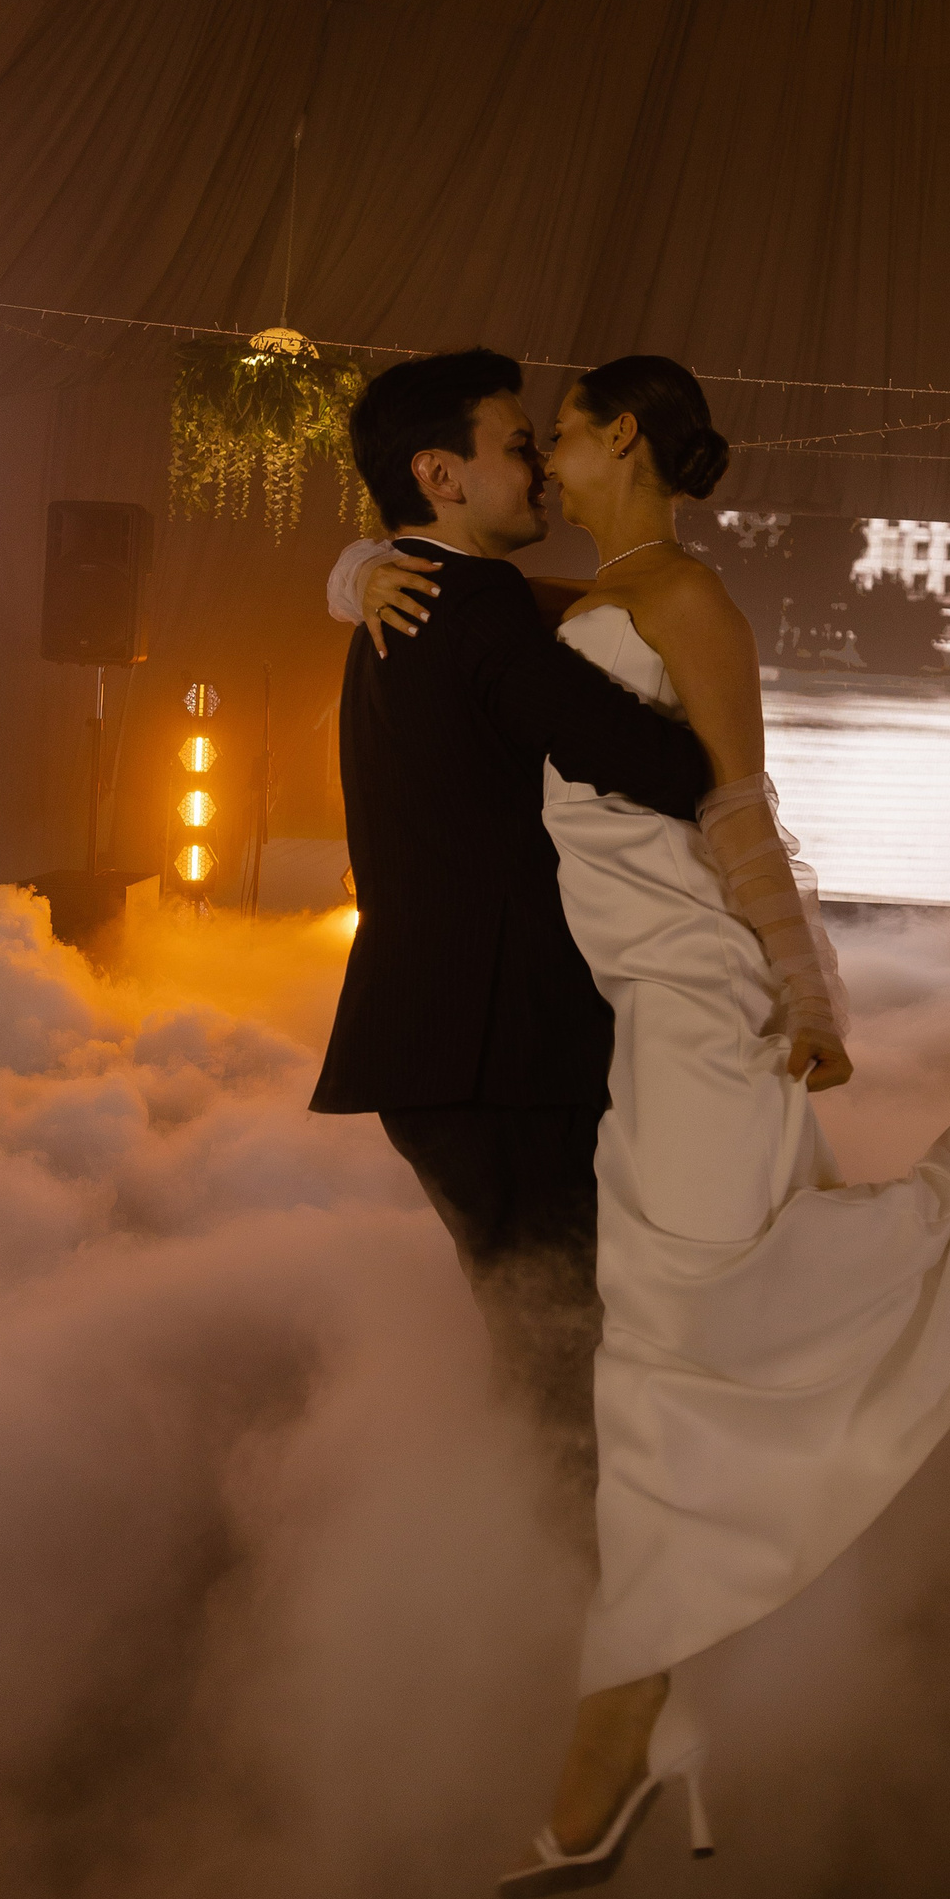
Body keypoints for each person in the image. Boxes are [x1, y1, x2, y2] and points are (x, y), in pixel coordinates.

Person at [336, 357, 950, 1899]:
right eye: (521, 443)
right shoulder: (553, 601)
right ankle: (627, 1720)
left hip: (689, 1001)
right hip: (609, 1012)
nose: (542, 461)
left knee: (681, 1336)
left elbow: (737, 807)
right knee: (677, 1332)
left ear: (622, 438)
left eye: (558, 435)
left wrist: (804, 988)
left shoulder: (678, 601)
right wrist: (358, 565)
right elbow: (459, 612)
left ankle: (618, 1737)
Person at [310, 348, 713, 1532]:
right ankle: (575, 1587)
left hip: (434, 1049)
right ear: (441, 475)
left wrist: (353, 568)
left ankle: (526, 1576)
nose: (537, 467)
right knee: (569, 1348)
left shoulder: (414, 599)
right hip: (500, 1051)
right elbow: (665, 765)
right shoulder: (471, 609)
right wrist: (703, 665)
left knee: (540, 1334)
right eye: (516, 445)